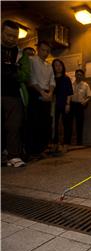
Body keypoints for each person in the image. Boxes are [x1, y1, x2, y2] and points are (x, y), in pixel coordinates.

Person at [1, 20, 27, 167]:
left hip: (13, 93)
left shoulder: (20, 53)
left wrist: (14, 74)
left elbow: (24, 74)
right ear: (1, 32)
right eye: (8, 35)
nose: (11, 39)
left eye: (14, 36)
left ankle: (13, 155)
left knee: (14, 125)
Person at [26, 40, 56, 159]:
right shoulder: (31, 60)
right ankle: (32, 151)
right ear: (38, 49)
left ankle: (41, 149)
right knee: (33, 122)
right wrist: (42, 92)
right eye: (43, 50)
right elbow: (31, 79)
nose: (45, 53)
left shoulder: (49, 65)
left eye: (48, 51)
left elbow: (52, 81)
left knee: (45, 123)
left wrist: (50, 93)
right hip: (34, 92)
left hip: (47, 94)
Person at [52, 59, 73, 152]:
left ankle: (66, 144)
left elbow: (69, 92)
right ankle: (55, 143)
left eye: (60, 65)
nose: (58, 67)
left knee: (67, 124)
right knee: (54, 125)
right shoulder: (51, 78)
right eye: (56, 65)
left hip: (64, 103)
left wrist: (68, 104)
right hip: (53, 104)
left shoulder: (66, 78)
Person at [70, 69, 91, 145]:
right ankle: (68, 141)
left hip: (80, 106)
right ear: (75, 75)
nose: (79, 76)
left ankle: (79, 142)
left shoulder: (85, 85)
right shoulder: (71, 84)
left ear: (82, 76)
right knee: (69, 123)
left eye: (80, 75)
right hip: (71, 104)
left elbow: (89, 96)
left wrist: (85, 101)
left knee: (79, 124)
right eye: (77, 74)